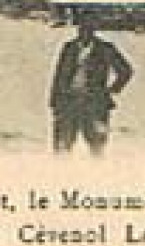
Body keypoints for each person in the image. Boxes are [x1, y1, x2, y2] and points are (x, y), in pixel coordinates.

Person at [49, 16, 134, 154]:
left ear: (93, 30)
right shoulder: (69, 48)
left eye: (88, 29)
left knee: (96, 146)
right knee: (62, 145)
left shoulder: (105, 49)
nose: (83, 32)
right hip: (69, 102)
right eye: (81, 28)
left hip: (94, 104)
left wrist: (111, 90)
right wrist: (55, 102)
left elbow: (126, 71)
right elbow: (59, 76)